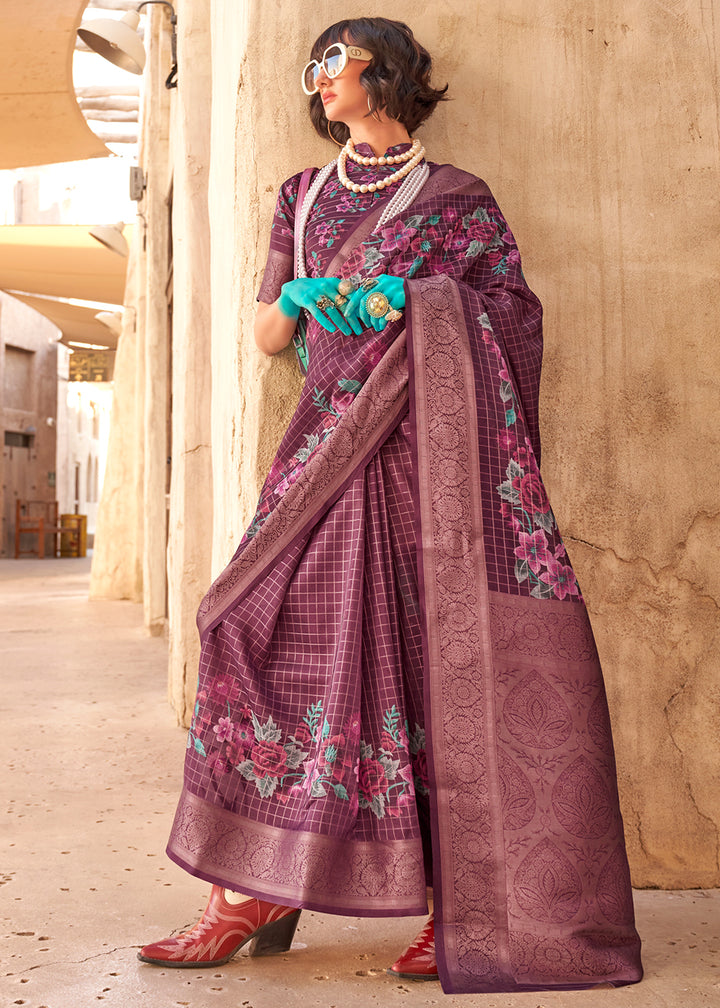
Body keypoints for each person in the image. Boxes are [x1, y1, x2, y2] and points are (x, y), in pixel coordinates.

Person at [138, 17, 643, 994]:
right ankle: (252, 890)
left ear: (390, 72)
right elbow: (264, 333)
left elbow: (512, 317)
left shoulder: (458, 199)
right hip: (323, 447)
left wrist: (415, 301)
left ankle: (456, 902)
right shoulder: (301, 195)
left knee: (428, 661)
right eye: (313, 65)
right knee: (243, 620)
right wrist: (307, 300)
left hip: (428, 458)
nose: (320, 79)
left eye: (337, 60)